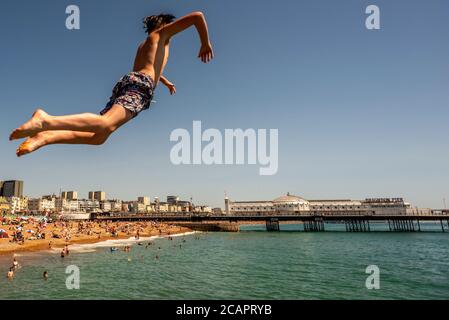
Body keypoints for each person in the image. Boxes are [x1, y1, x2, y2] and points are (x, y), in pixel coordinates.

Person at [10, 12, 214, 157]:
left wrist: (165, 81)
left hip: (133, 82)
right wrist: (205, 43)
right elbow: (197, 16)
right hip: (140, 86)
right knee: (105, 124)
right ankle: (46, 120)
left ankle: (45, 137)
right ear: (164, 26)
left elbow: (147, 67)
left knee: (98, 137)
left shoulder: (145, 44)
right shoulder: (160, 35)